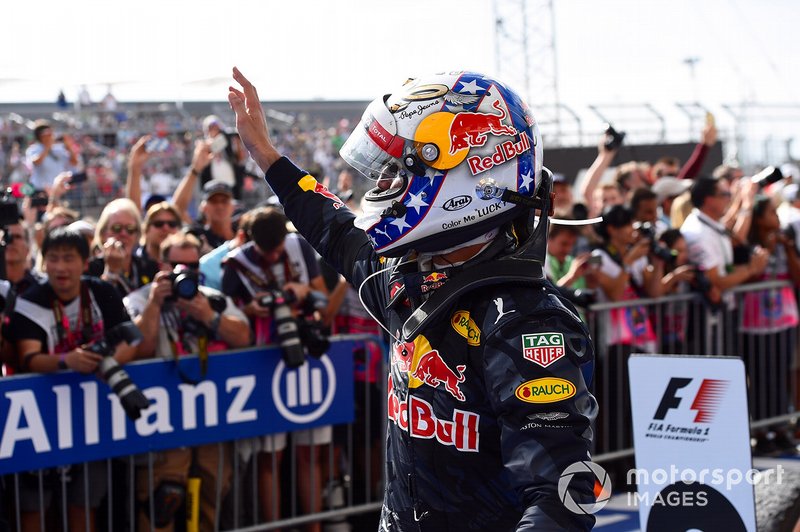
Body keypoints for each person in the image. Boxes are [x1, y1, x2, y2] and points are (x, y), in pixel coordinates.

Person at [230, 67, 597, 530]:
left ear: (469, 173)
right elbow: (337, 230)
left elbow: (563, 496)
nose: (384, 184)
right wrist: (267, 155)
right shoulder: (412, 282)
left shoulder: (527, 324)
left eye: (401, 170)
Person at [7, 228, 138, 532]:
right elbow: (29, 357)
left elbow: (133, 340)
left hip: (92, 419)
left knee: (84, 502)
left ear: (85, 261)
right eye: (53, 258)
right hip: (37, 419)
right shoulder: (31, 301)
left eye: (69, 258)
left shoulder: (102, 291)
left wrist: (104, 364)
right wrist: (68, 361)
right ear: (44, 261)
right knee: (35, 507)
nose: (60, 267)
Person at [124, 232, 251, 531]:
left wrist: (210, 317)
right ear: (162, 265)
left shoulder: (209, 298)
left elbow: (244, 336)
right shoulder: (138, 300)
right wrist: (156, 304)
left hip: (208, 417)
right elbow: (137, 349)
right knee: (162, 499)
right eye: (177, 266)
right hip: (160, 421)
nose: (185, 273)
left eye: (192, 266)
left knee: (213, 487)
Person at [220, 206, 330, 530]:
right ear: (252, 241)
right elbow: (232, 316)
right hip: (265, 360)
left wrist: (304, 291)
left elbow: (321, 295)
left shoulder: (299, 246)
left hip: (309, 352)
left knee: (310, 452)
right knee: (270, 456)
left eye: (279, 246)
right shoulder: (236, 264)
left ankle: (314, 526)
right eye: (269, 250)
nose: (276, 254)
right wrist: (252, 309)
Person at [25, 120, 80, 190]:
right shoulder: (34, 149)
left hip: (57, 190)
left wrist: (68, 147)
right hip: (40, 190)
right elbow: (36, 162)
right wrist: (47, 147)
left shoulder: (59, 149)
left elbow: (74, 162)